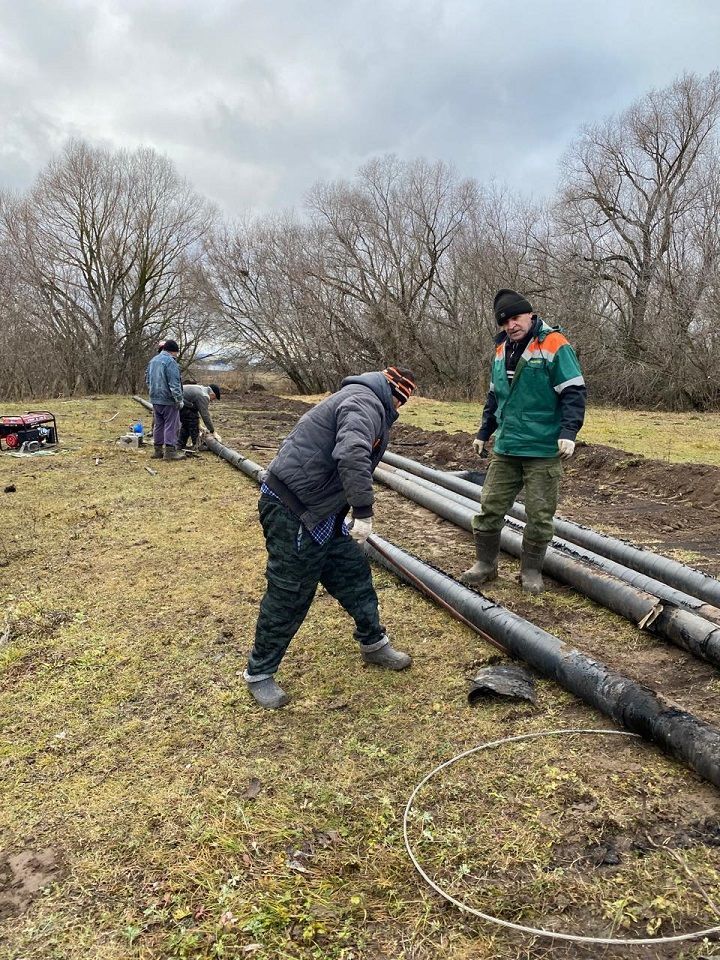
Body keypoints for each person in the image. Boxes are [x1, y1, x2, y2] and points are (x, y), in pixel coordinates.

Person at [245, 365, 417, 709]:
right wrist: (364, 511)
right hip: (293, 509)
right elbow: (352, 453)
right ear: (394, 395)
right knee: (290, 591)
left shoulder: (364, 400)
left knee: (354, 574)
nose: (398, 411)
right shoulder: (363, 403)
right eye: (401, 403)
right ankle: (260, 673)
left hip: (324, 512)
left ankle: (374, 643)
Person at [461, 289, 586, 594]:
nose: (511, 325)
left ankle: (530, 571)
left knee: (540, 515)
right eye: (504, 322)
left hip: (543, 448)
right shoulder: (502, 350)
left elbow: (574, 392)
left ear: (530, 314)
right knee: (489, 506)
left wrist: (568, 433)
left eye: (515, 318)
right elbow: (495, 396)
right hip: (507, 446)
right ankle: (486, 566)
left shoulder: (555, 344)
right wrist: (484, 432)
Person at [145, 339, 185, 461]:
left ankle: (157, 451)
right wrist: (178, 399)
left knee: (158, 424)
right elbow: (174, 383)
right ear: (173, 351)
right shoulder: (170, 362)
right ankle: (170, 452)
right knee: (171, 425)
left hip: (155, 398)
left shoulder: (153, 361)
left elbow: (147, 379)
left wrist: (152, 392)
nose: (176, 355)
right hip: (168, 399)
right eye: (176, 353)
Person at [178, 383, 223, 451]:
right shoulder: (204, 396)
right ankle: (197, 445)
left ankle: (180, 444)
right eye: (214, 398)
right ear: (213, 394)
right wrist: (212, 430)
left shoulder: (202, 389)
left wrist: (200, 425)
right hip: (179, 402)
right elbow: (205, 415)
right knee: (193, 421)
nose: (212, 401)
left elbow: (195, 408)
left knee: (187, 423)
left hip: (180, 400)